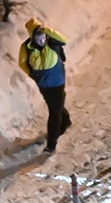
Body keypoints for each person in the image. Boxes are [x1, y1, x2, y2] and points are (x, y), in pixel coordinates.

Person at [17, 18, 72, 153]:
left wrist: (46, 30)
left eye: (42, 35)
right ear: (32, 37)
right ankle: (65, 122)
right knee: (55, 106)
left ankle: (51, 143)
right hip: (43, 85)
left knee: (54, 112)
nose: (41, 39)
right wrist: (32, 75)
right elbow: (22, 63)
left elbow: (64, 40)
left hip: (57, 82)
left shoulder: (52, 42)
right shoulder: (26, 47)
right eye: (37, 36)